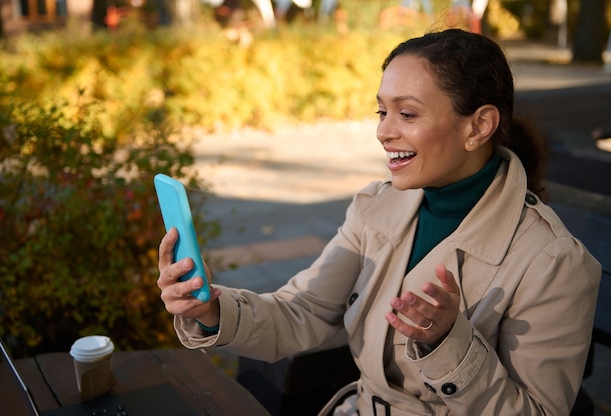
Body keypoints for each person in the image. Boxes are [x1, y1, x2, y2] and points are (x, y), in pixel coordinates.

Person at [157, 29, 601, 415]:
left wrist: (450, 344)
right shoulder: (376, 207)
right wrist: (211, 309)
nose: (383, 132)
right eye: (381, 111)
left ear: (479, 126)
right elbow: (304, 311)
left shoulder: (554, 262)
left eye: (407, 114)